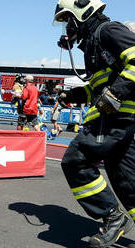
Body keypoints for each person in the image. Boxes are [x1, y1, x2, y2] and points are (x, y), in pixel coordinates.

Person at [53, 1, 135, 247]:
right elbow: (100, 86)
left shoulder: (108, 30)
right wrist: (77, 95)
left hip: (115, 117)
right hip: (120, 117)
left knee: (75, 161)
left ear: (82, 11)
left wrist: (117, 93)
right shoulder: (94, 44)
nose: (68, 26)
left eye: (69, 19)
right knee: (126, 181)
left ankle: (112, 217)